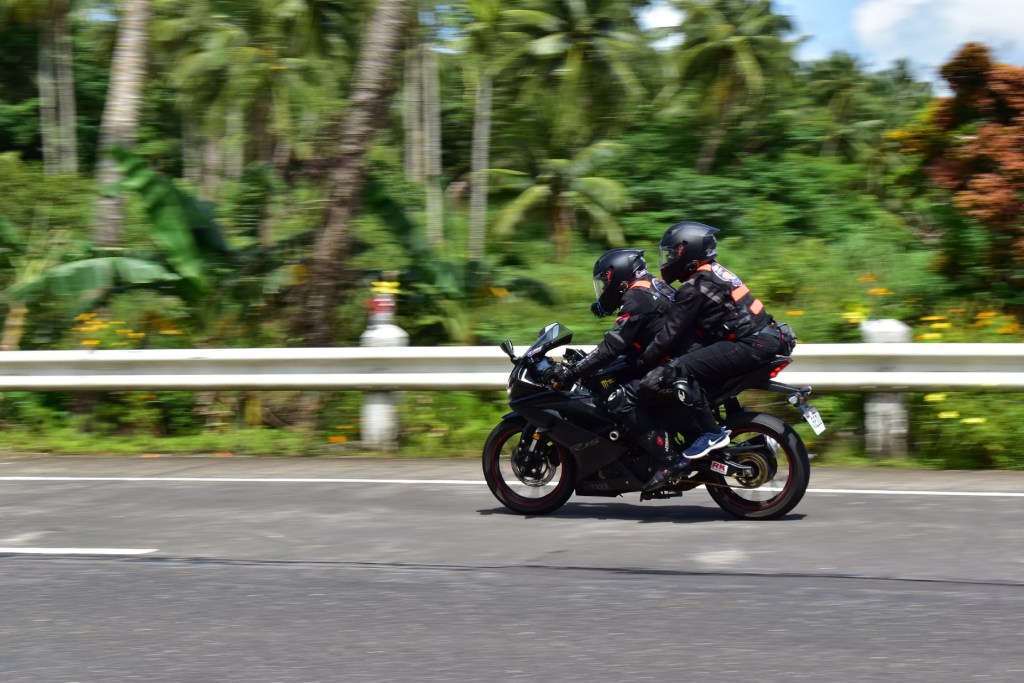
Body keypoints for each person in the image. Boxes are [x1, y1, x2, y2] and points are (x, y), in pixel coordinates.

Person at [637, 220, 783, 491]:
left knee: (677, 369)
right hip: (768, 337)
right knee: (706, 369)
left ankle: (711, 433)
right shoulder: (716, 271)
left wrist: (642, 362)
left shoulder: (694, 287)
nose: (668, 259)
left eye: (672, 254)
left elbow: (669, 335)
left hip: (750, 344)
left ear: (688, 251)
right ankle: (753, 437)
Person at [544, 248, 679, 461]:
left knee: (619, 398)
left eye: (605, 284)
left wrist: (574, 372)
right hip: (671, 356)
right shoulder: (651, 284)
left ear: (617, 277)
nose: (604, 289)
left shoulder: (635, 298)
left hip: (668, 363)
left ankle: (667, 459)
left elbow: (612, 347)